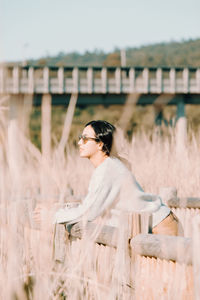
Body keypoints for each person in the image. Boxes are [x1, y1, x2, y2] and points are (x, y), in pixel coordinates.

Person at [53, 120, 178, 236]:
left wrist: (52, 217)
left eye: (85, 139)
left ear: (100, 144)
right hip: (150, 225)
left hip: (160, 226)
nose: (80, 142)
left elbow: (89, 212)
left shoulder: (108, 170)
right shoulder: (109, 166)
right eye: (80, 138)